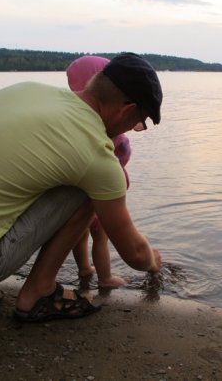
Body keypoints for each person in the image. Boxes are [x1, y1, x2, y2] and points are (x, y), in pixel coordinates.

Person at [0, 52, 163, 322]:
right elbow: (133, 253)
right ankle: (38, 293)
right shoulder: (95, 152)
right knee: (89, 192)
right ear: (127, 109)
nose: (133, 129)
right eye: (138, 123)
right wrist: (153, 261)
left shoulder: (27, 90)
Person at [66, 55, 130, 288]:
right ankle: (106, 278)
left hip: (76, 195)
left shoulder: (75, 121)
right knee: (101, 237)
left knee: (78, 235)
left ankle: (84, 269)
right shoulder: (109, 129)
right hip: (102, 195)